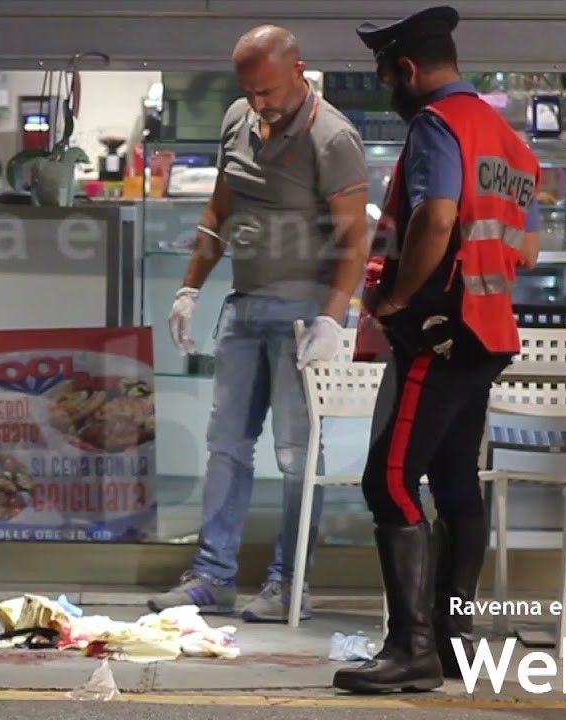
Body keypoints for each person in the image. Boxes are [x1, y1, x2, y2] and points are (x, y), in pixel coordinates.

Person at [333, 6, 541, 693]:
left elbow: (437, 217)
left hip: (440, 331)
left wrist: (395, 299)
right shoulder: (509, 140)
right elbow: (528, 248)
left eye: (386, 75)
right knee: (454, 481)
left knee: (389, 480)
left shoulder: (437, 123)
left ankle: (411, 649)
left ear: (406, 69)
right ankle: (454, 642)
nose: (388, 87)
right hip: (488, 333)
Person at [149, 24, 370, 622]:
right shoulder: (237, 120)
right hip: (243, 308)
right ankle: (212, 576)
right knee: (226, 446)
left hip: (302, 317)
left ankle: (290, 583)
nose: (259, 102)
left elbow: (355, 238)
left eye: (268, 91)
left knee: (297, 456)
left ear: (298, 71)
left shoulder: (332, 137)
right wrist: (190, 287)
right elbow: (220, 208)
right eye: (249, 90)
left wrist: (333, 317)